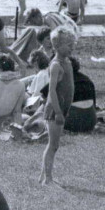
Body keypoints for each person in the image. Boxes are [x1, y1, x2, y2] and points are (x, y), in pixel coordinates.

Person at [40, 26, 75, 186]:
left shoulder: (67, 61)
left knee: (54, 145)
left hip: (62, 108)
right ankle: (48, 179)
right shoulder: (56, 65)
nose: (72, 47)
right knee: (53, 145)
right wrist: (58, 112)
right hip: (55, 109)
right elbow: (52, 91)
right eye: (68, 44)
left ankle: (43, 177)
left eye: (72, 43)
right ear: (56, 46)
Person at [62, 57, 96, 133]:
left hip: (72, 121)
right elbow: (94, 104)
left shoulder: (63, 80)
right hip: (91, 121)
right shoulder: (87, 80)